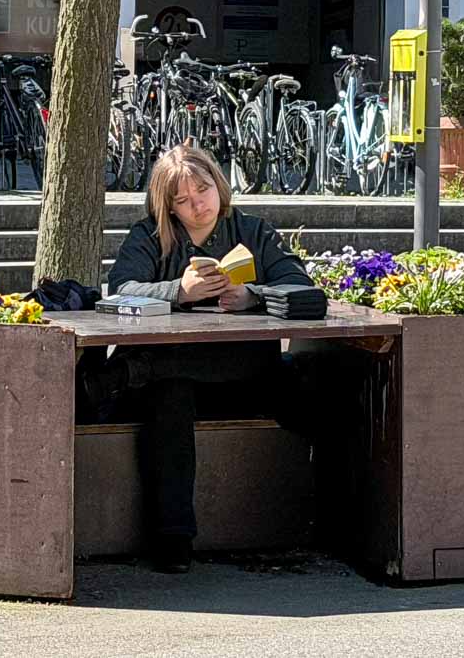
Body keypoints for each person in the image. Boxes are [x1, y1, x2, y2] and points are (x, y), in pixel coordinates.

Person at [84, 145, 313, 573]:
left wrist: (252, 296)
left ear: (218, 184)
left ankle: (132, 372)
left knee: (194, 371)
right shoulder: (149, 236)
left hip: (244, 378)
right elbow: (119, 290)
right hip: (178, 389)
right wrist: (178, 291)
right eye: (183, 201)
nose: (198, 206)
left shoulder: (253, 230)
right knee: (170, 392)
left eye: (203, 191)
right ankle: (174, 539)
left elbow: (300, 285)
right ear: (167, 205)